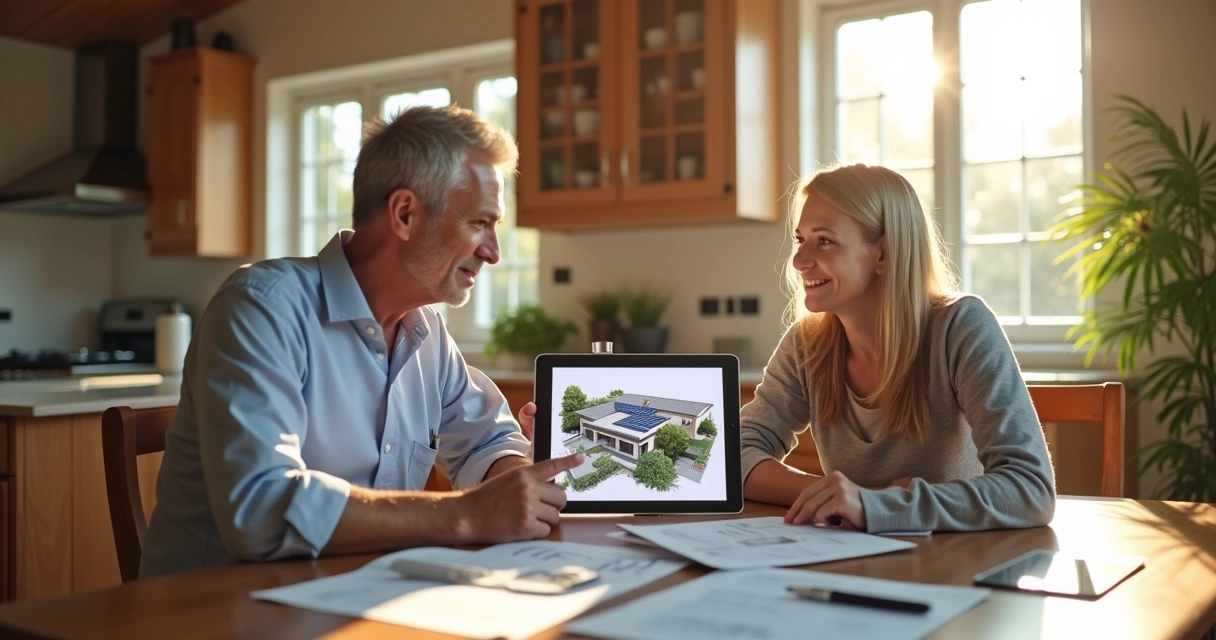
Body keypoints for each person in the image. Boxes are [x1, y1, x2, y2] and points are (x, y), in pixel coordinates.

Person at [141, 105, 582, 578]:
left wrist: (515, 479)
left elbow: (486, 441)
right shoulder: (262, 306)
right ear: (405, 214)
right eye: (479, 222)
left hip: (359, 597)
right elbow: (260, 510)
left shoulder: (426, 332)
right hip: (215, 611)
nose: (493, 252)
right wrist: (469, 514)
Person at [741, 163, 1055, 533]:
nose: (799, 261)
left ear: (884, 254)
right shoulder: (806, 344)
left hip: (957, 567)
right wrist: (845, 497)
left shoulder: (960, 327)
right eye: (800, 239)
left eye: (824, 240)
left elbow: (1030, 489)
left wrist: (873, 504)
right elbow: (736, 455)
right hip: (853, 558)